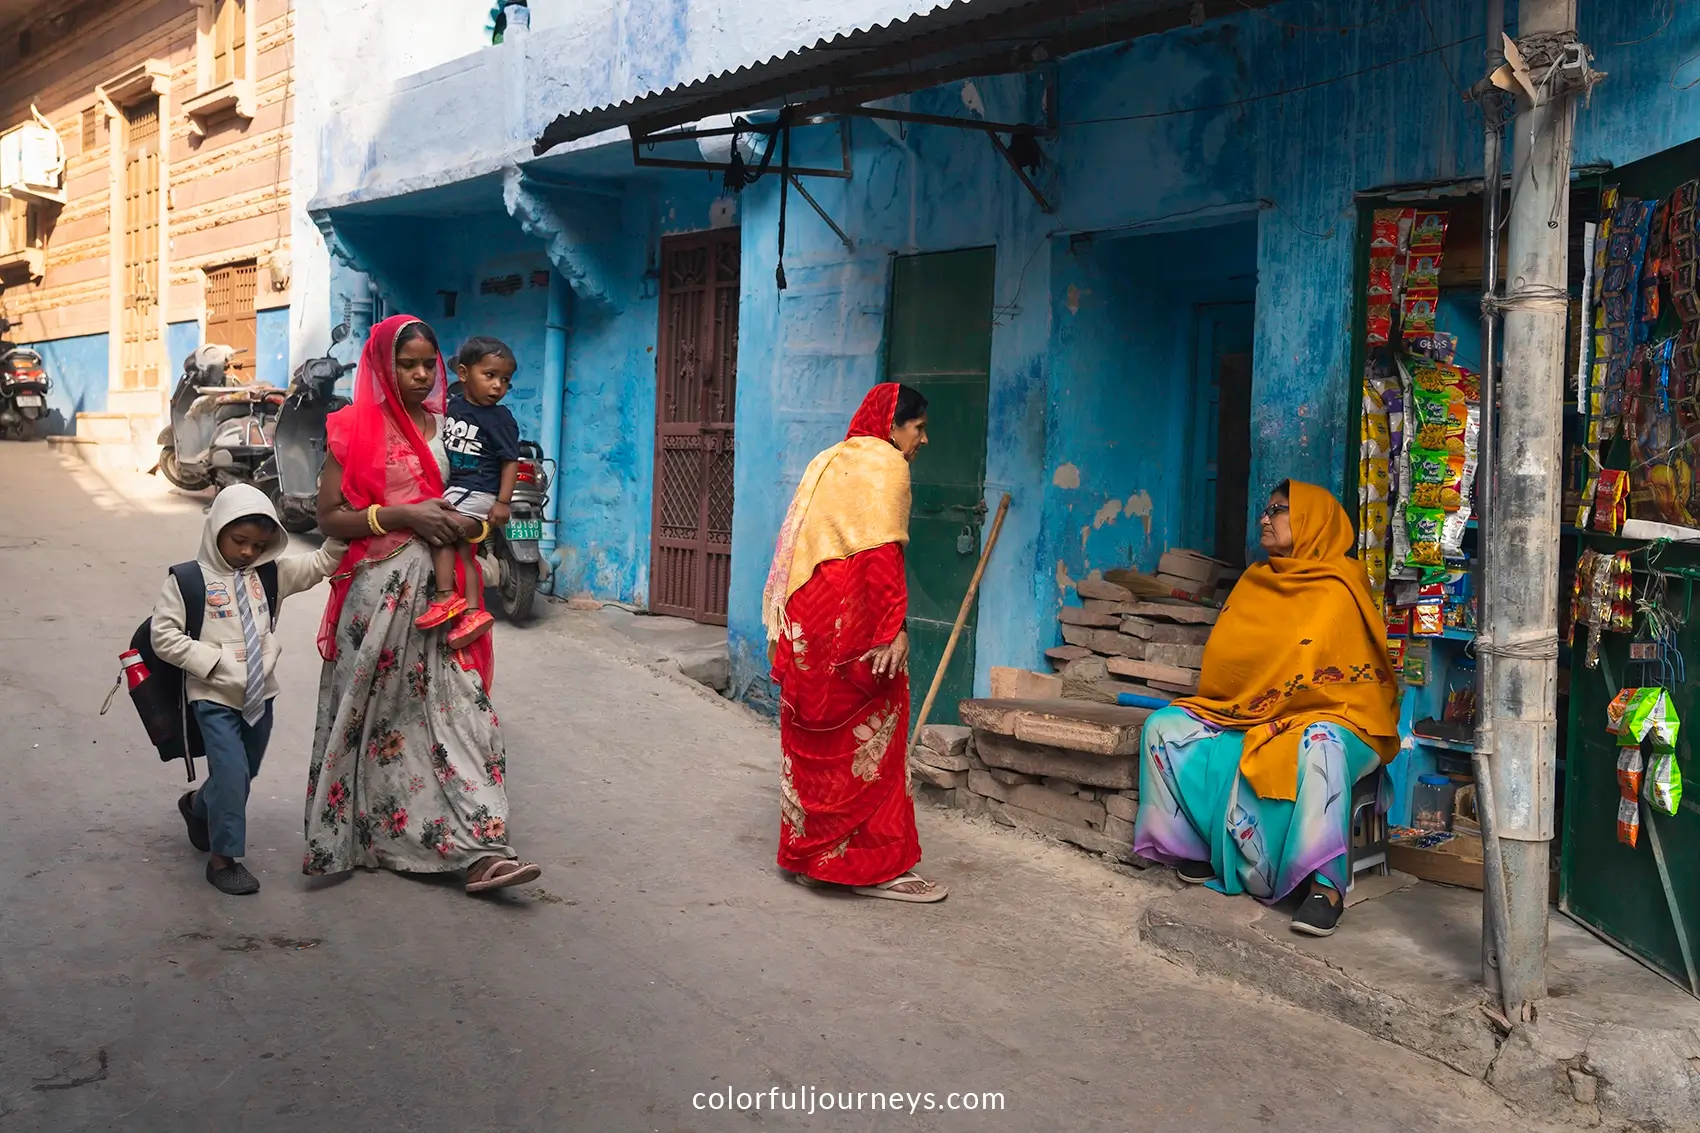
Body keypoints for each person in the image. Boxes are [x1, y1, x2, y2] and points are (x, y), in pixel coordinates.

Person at [307, 314, 542, 894]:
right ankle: (380, 836)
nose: (417, 375)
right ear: (382, 366)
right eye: (405, 364)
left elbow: (473, 498)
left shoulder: (447, 425)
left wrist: (472, 524)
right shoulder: (352, 426)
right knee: (381, 723)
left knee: (465, 717)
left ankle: (484, 848)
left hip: (444, 596)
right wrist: (400, 515)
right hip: (379, 595)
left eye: (425, 365)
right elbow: (328, 515)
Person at [1131, 480, 1400, 937]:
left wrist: (1289, 705)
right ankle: (1198, 850)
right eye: (1267, 508)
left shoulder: (1339, 586)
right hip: (1256, 712)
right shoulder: (1256, 581)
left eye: (1278, 509)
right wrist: (1263, 702)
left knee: (1320, 744)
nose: (1265, 517)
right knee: (1165, 726)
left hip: (1342, 719)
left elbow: (1349, 679)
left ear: (1312, 520)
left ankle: (1325, 887)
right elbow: (1229, 662)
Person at [762, 382, 947, 904]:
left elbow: (798, 544)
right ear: (892, 427)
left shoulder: (829, 459)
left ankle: (810, 856)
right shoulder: (886, 465)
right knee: (875, 734)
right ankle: (870, 866)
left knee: (814, 730)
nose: (923, 440)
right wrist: (894, 627)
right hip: (853, 615)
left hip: (808, 616)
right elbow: (880, 555)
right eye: (919, 428)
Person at [151, 484, 346, 895]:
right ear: (216, 530)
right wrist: (214, 663)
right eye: (239, 541)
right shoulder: (188, 581)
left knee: (244, 771)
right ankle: (223, 859)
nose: (247, 552)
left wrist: (347, 518)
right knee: (233, 773)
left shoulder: (270, 575)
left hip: (261, 695)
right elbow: (163, 637)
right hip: (213, 697)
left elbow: (322, 561)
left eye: (258, 545)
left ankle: (198, 805)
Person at [416, 336, 522, 649]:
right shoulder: (454, 407)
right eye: (489, 376)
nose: (497, 386)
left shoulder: (500, 419)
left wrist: (503, 502)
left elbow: (510, 461)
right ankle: (474, 612)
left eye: (505, 380)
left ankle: (446, 597)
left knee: (438, 526)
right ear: (463, 374)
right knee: (465, 553)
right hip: (459, 487)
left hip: (476, 490)